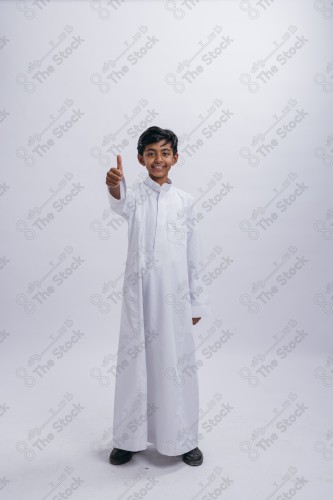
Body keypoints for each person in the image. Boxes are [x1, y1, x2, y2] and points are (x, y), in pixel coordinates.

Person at [105, 126, 211, 466]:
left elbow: (193, 255)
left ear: (175, 158)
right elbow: (119, 202)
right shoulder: (135, 196)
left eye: (165, 153)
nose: (158, 159)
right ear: (140, 159)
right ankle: (128, 438)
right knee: (135, 364)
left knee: (175, 364)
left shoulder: (185, 202)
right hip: (140, 297)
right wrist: (114, 185)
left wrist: (196, 301)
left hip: (174, 299)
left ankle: (182, 438)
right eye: (151, 153)